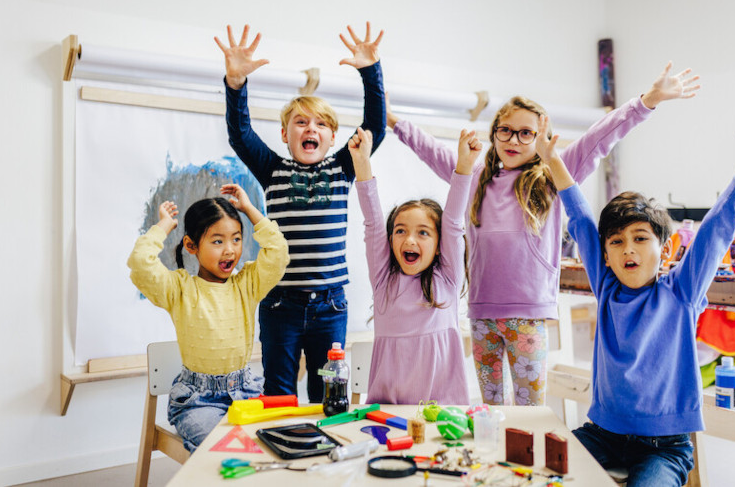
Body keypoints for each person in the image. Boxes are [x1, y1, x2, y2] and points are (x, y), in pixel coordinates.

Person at [388, 62, 700, 406]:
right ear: (494, 133)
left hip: (529, 316)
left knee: (529, 412)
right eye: (505, 130)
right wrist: (390, 118)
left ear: (540, 137)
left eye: (526, 133)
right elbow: (429, 148)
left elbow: (600, 137)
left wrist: (647, 101)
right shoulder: (474, 178)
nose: (514, 140)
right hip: (481, 316)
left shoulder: (552, 174)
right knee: (490, 409)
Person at [535, 106, 735, 485]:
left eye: (640, 239)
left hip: (664, 447)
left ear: (665, 251)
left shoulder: (681, 291)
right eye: (616, 242)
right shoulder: (606, 287)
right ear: (606, 256)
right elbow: (582, 219)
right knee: (541, 474)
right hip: (601, 434)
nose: (628, 249)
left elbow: (717, 228)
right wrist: (552, 161)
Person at [215, 23, 386, 402]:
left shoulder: (342, 167)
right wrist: (235, 83)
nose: (312, 128)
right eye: (301, 122)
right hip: (281, 303)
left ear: (331, 136)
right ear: (285, 134)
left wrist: (370, 71)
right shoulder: (273, 169)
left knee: (328, 392)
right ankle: (282, 454)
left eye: (322, 124)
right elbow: (240, 134)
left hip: (331, 304)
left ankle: (321, 458)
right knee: (278, 392)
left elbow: (375, 128)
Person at [127, 184, 290, 452]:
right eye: (218, 241)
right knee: (229, 451)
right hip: (197, 401)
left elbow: (278, 253)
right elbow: (140, 263)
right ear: (191, 245)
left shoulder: (247, 285)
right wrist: (164, 226)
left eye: (236, 239)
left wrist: (249, 210)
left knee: (275, 446)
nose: (230, 250)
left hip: (246, 392)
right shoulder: (179, 289)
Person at [348, 125, 481, 404]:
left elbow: (454, 223)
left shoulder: (447, 278)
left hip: (444, 410)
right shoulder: (384, 279)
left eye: (423, 232)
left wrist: (464, 166)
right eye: (400, 230)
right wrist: (362, 163)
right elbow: (373, 223)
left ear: (439, 243)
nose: (410, 239)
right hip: (387, 410)